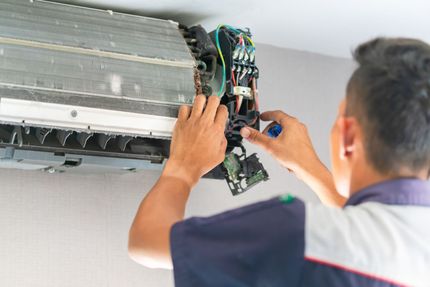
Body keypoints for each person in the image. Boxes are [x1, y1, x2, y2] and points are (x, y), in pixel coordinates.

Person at [128, 38, 430, 286]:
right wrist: (311, 169)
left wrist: (182, 169)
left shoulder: (298, 231)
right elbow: (374, 239)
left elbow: (147, 242)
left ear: (348, 135)